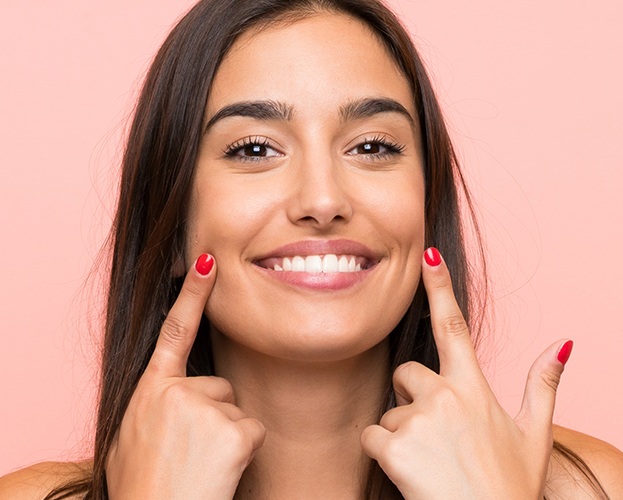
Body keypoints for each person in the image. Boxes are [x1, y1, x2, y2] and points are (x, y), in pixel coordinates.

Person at [1, 0, 622, 498]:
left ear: (427, 210)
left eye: (373, 146)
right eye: (253, 149)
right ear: (170, 223)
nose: (322, 200)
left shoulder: (589, 487)